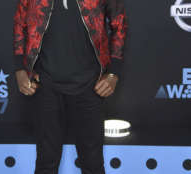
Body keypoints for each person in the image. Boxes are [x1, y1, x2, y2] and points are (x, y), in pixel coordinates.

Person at [13, 0, 127, 173]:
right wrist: (20, 68)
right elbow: (19, 23)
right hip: (45, 84)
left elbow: (119, 23)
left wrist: (113, 72)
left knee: (93, 163)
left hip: (90, 84)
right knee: (46, 162)